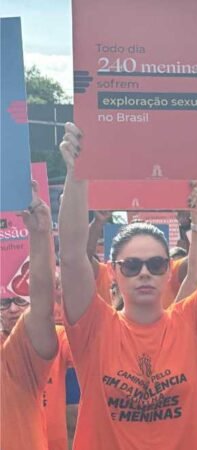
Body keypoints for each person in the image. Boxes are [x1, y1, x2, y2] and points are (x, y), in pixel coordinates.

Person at [57, 123, 197, 450]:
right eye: (132, 266)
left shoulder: (193, 324)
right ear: (114, 272)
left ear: (168, 271)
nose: (144, 273)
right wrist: (77, 175)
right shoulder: (93, 327)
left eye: (156, 264)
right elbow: (71, 256)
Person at [1, 182, 60, 450]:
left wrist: (39, 234)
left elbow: (40, 306)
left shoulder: (14, 357)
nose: (11, 308)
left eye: (15, 302)